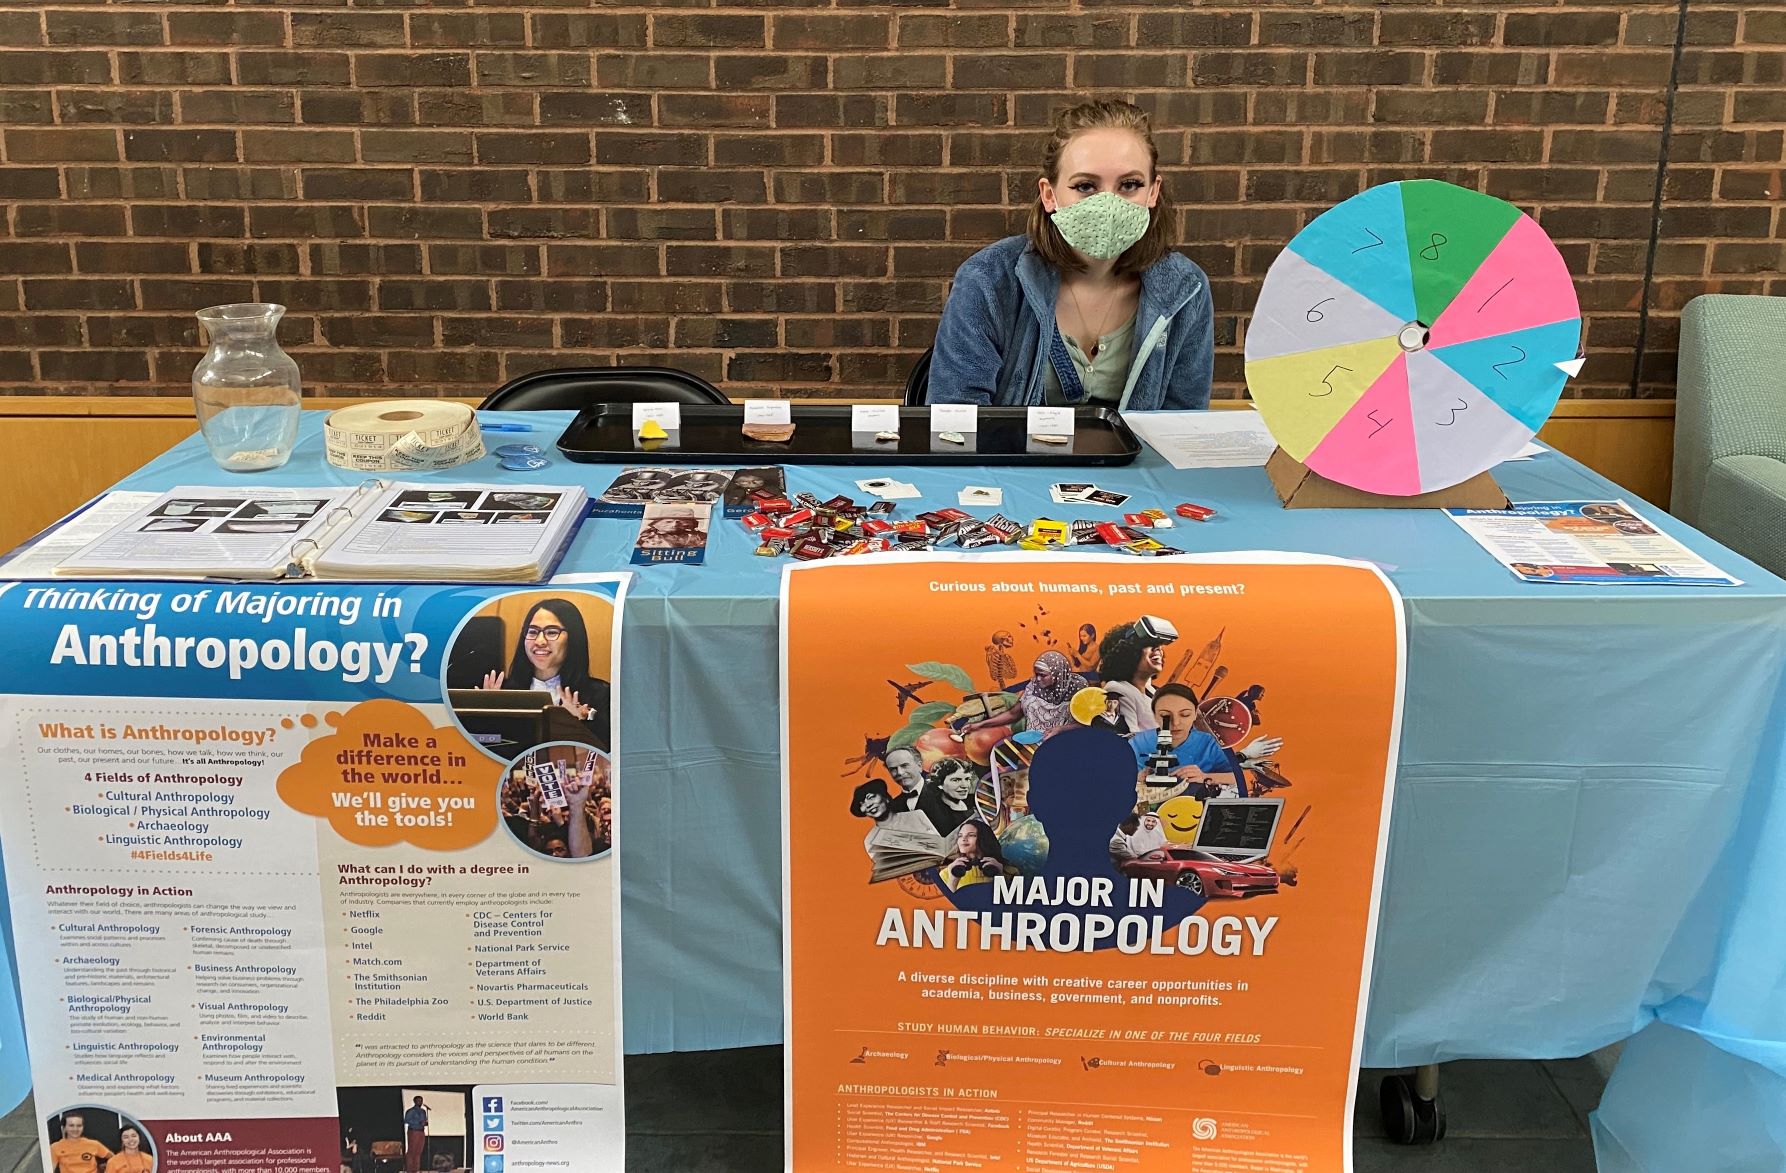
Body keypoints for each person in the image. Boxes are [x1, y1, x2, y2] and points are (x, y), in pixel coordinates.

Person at [927, 98, 1212, 410]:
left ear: (1153, 192)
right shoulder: (988, 280)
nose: (1108, 204)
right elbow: (954, 423)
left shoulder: (1186, 289)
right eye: (1086, 186)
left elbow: (1181, 425)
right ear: (1050, 195)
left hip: (1134, 459)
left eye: (1129, 184)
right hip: (1012, 459)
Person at [1129, 684, 1281, 799]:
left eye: (1185, 715)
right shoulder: (1137, 744)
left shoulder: (1210, 743)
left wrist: (1205, 776)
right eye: (1165, 715)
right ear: (1154, 715)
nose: (1176, 723)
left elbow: (1236, 776)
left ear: (1196, 714)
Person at [479, 598, 611, 730]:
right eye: (533, 632)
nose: (539, 641)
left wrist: (579, 723)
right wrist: (486, 715)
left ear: (574, 638)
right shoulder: (501, 693)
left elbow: (608, 747)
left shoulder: (600, 694)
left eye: (552, 632)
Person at [957, 651, 1087, 740]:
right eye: (1036, 674)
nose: (1037, 678)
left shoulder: (1078, 688)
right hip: (1034, 744)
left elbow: (1089, 724)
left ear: (1057, 674)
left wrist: (1061, 730)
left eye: (1043, 675)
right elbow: (1013, 714)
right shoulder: (1033, 687)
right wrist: (978, 725)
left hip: (1068, 743)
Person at [1098, 616, 1178, 734]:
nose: (1158, 648)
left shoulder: (1153, 692)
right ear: (1127, 651)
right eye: (1148, 643)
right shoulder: (1117, 689)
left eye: (1159, 644)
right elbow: (1132, 741)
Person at [916, 759, 983, 837]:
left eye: (967, 779)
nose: (965, 785)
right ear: (939, 783)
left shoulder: (976, 802)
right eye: (956, 780)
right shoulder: (934, 815)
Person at [941, 819, 1008, 891]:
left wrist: (1000, 876)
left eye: (971, 835)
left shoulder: (1009, 871)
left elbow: (1009, 900)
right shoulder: (946, 873)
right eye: (960, 836)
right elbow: (944, 902)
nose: (963, 839)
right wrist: (953, 879)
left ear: (984, 838)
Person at [404, 1096, 429, 1173]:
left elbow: (424, 1121)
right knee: (412, 1152)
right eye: (418, 1100)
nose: (420, 1102)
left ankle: (416, 1170)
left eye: (421, 1100)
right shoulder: (411, 1111)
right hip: (413, 1132)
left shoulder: (423, 1111)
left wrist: (425, 1123)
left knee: (418, 1152)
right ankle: (409, 1170)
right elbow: (406, 1120)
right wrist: (418, 1122)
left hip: (421, 1132)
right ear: (414, 1101)